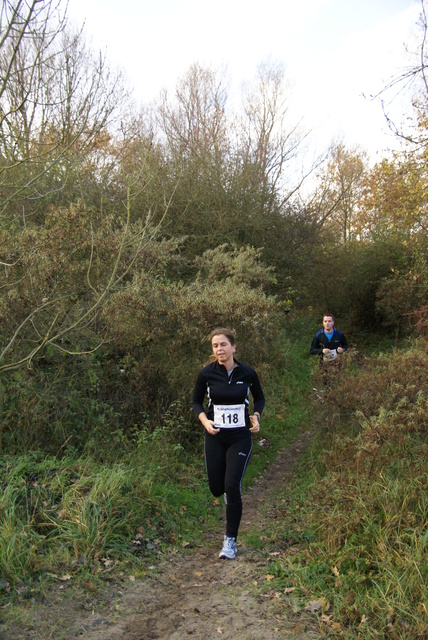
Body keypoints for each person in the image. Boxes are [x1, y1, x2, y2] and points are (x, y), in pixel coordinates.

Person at [192, 327, 265, 560]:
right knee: (217, 487)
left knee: (232, 486)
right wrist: (204, 421)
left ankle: (230, 541)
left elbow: (260, 397)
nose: (219, 349)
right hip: (215, 436)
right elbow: (196, 402)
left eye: (223, 344)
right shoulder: (206, 374)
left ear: (233, 347)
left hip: (240, 436)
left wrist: (256, 416)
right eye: (215, 346)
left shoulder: (248, 373)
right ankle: (227, 495)